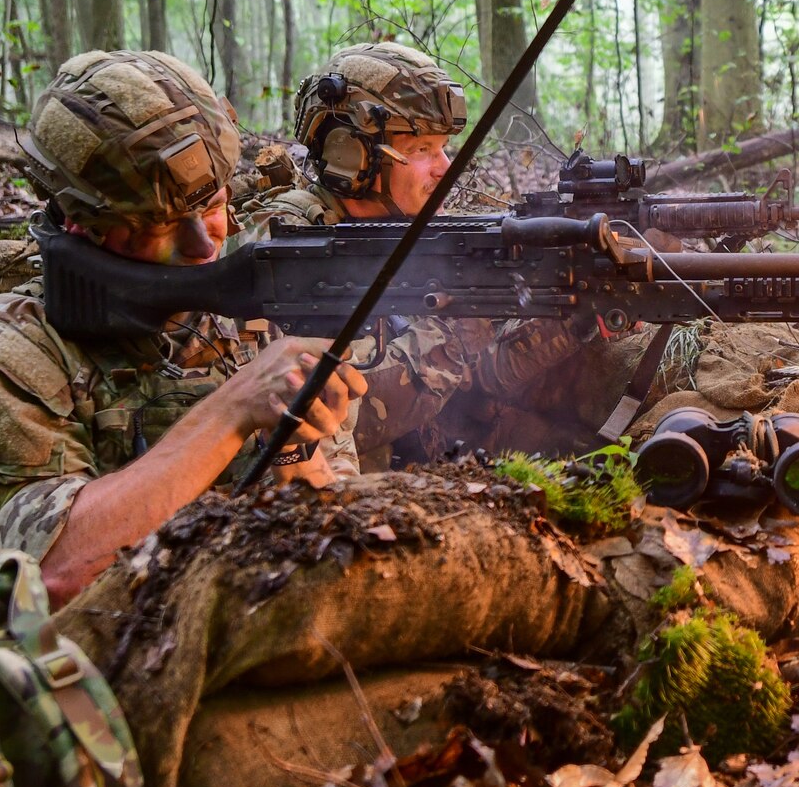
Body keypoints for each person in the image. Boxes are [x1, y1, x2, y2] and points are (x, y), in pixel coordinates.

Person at [0, 50, 365, 606]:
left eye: (212, 203)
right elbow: (55, 571)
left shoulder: (260, 303)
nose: (205, 243)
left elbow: (336, 529)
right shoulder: (11, 345)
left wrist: (290, 444)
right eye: (160, 224)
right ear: (81, 224)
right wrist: (235, 407)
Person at [245, 42, 589, 468]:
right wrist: (457, 337)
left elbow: (478, 378)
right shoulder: (287, 251)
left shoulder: (403, 230)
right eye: (422, 150)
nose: (446, 167)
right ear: (350, 156)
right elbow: (318, 431)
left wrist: (578, 315)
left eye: (443, 147)